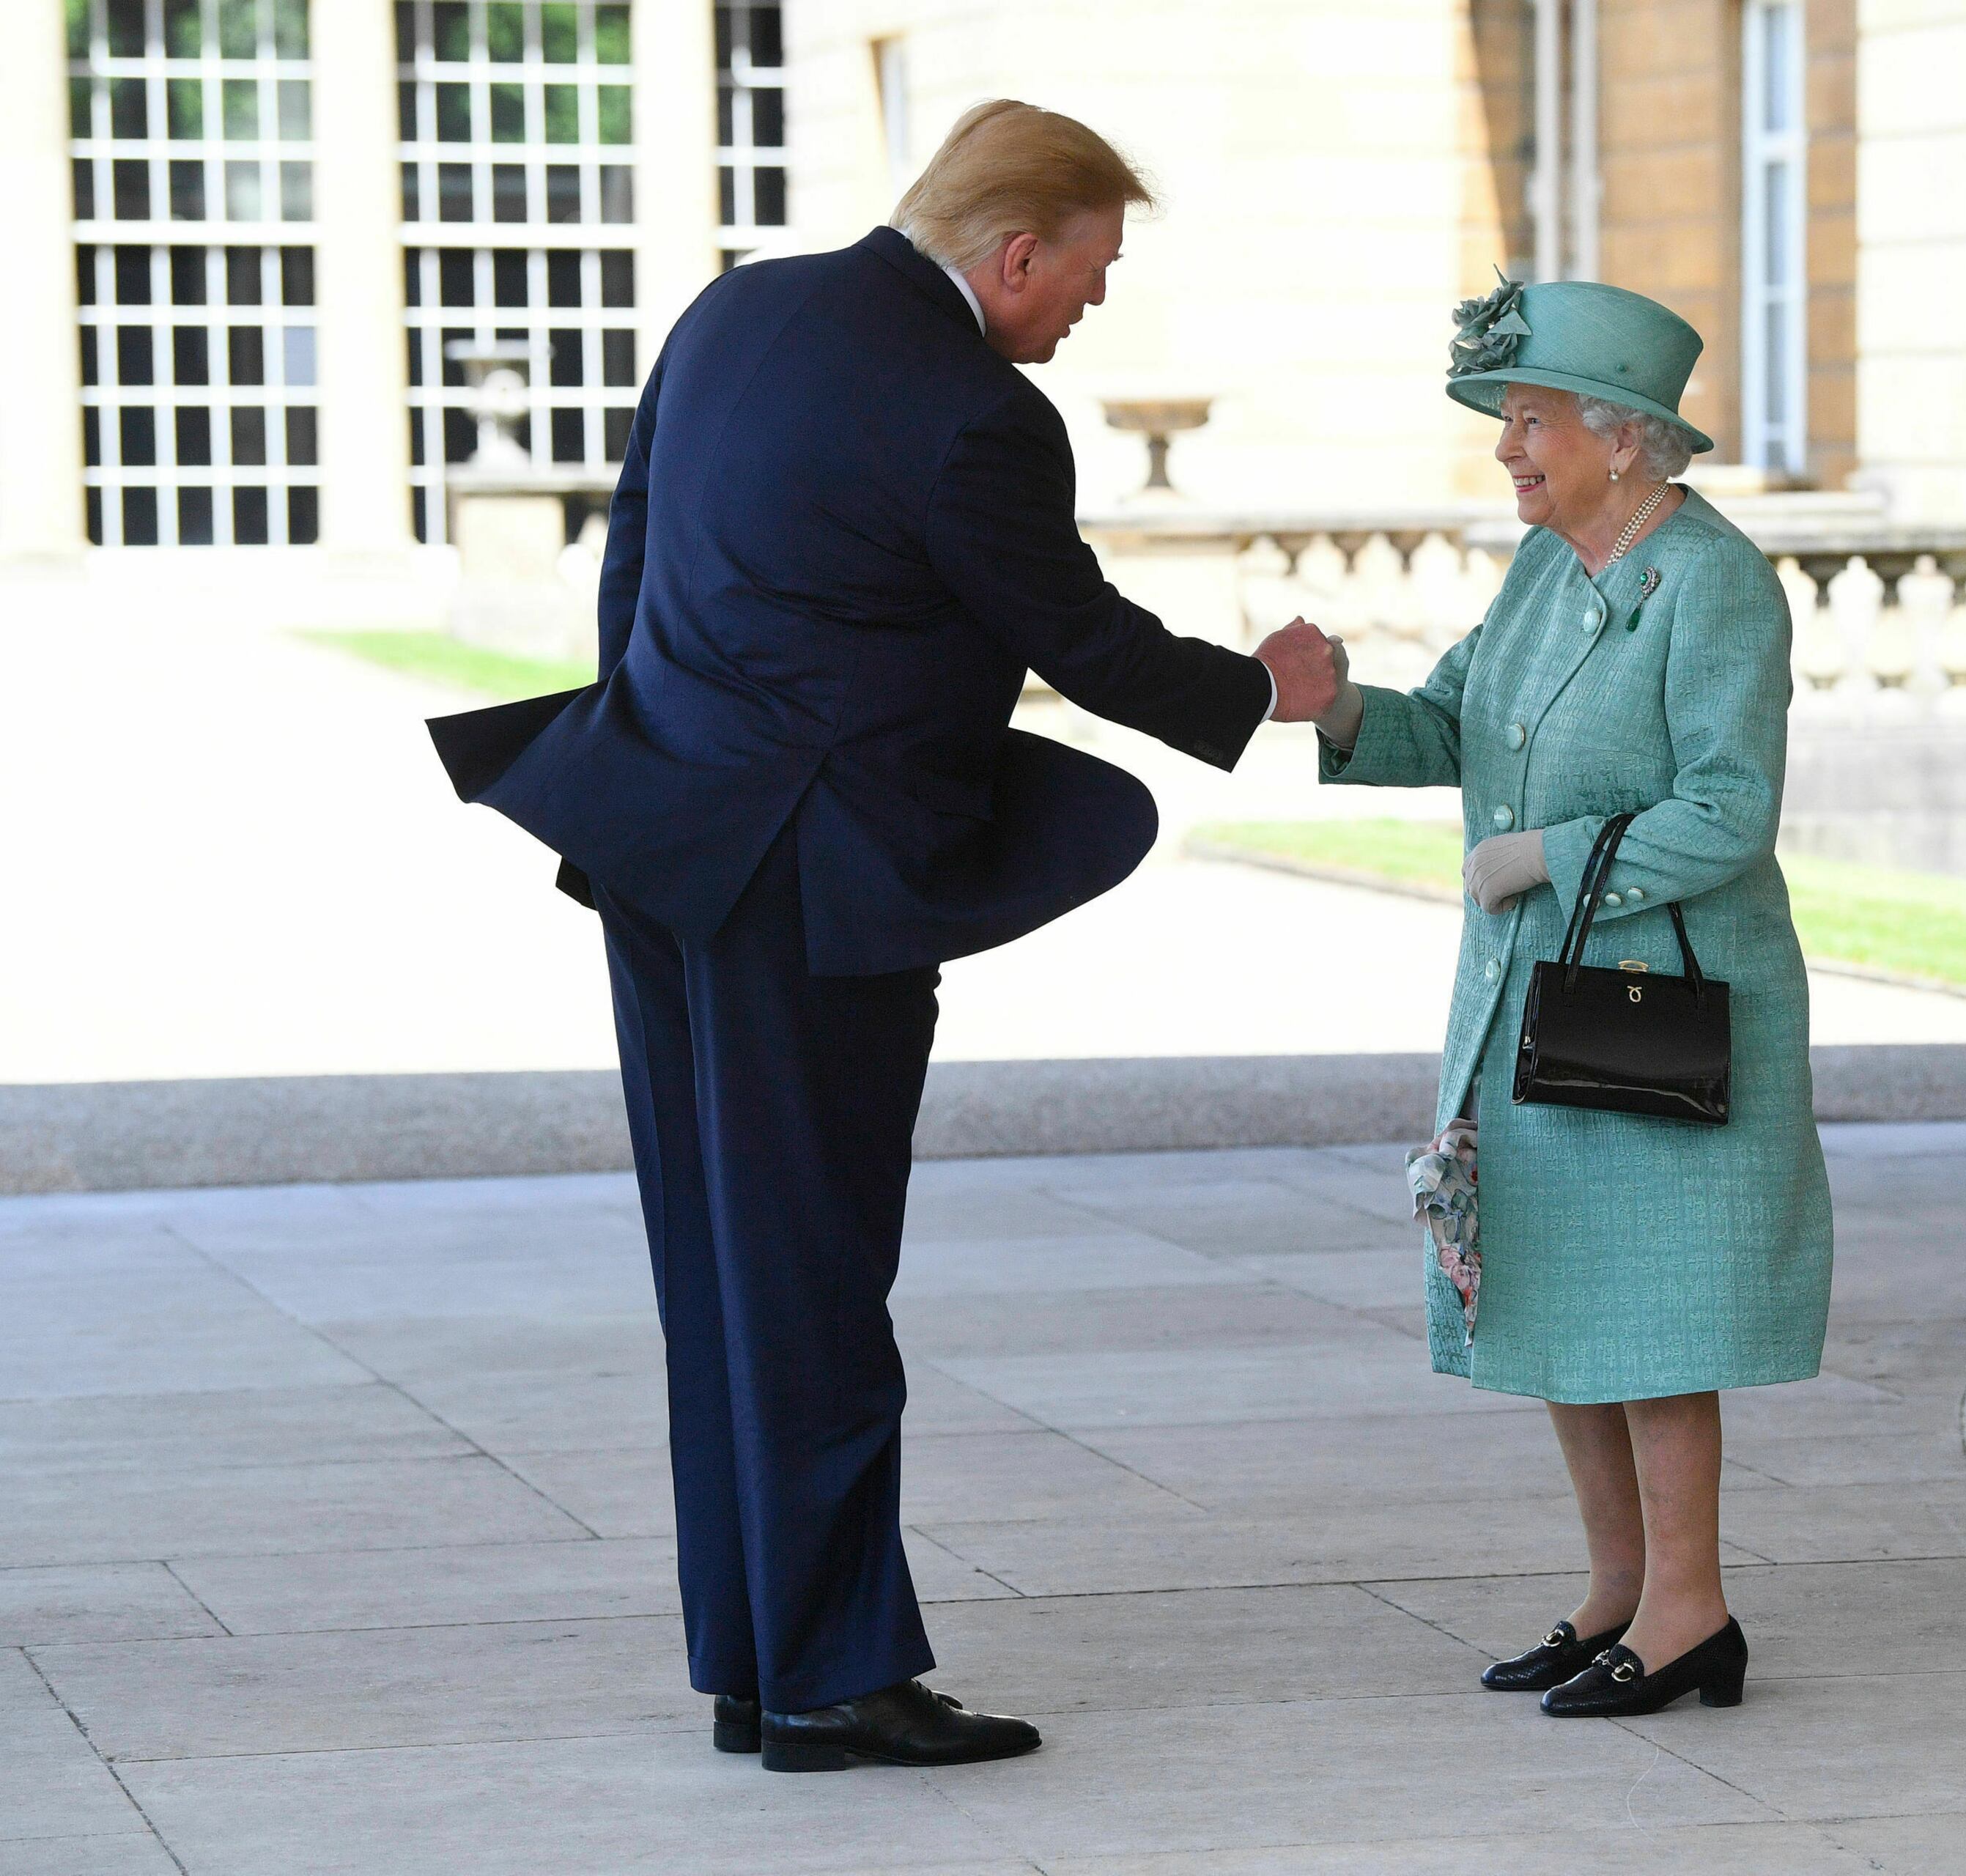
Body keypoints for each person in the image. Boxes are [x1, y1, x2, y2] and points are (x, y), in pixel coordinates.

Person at [426, 100, 1339, 1770]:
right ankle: (837, 1675)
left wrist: (658, 766)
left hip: (661, 842)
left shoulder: (735, 309)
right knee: (819, 1272)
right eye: (1091, 272)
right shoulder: (970, 413)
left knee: (721, 1269)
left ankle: (756, 1653)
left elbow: (629, 581)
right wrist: (1263, 692)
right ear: (1014, 252)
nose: (1091, 309)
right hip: (812, 891)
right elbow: (1076, 633)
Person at [1316, 277, 1834, 1717]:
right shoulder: (1545, 570)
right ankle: (1619, 1589)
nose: (1507, 450)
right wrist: (1342, 708)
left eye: (1530, 420)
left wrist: (1550, 856)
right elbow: (1454, 722)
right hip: (1529, 997)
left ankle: (1693, 1608)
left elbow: (1732, 809)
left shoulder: (1716, 580)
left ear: (1625, 436)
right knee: (1561, 1291)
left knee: (1657, 1315)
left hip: (1661, 1004)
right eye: (1508, 420)